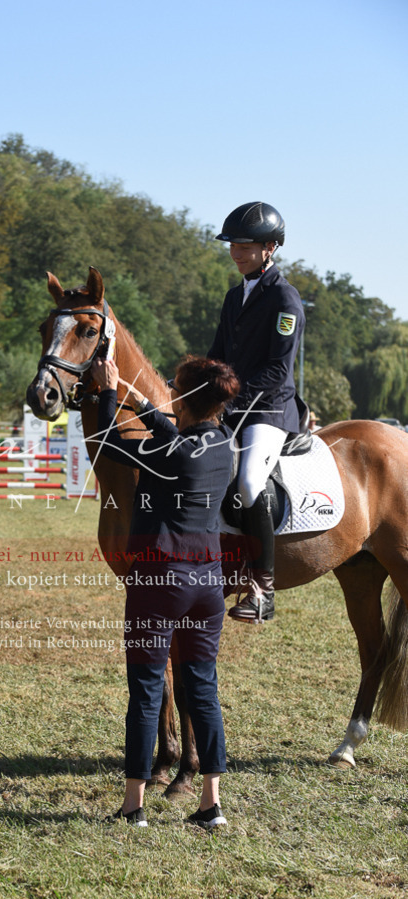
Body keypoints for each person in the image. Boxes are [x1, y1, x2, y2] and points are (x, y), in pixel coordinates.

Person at [90, 354, 240, 829]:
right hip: (208, 584)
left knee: (146, 689)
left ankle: (133, 806)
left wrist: (106, 392)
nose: (169, 391)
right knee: (203, 688)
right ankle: (211, 804)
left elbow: (108, 441)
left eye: (174, 386)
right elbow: (181, 434)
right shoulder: (224, 442)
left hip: (160, 580)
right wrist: (140, 401)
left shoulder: (166, 453)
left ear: (186, 398)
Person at [208, 201, 306, 623]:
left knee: (249, 481)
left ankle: (263, 591)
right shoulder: (234, 297)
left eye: (245, 246)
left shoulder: (285, 297)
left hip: (268, 410)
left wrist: (231, 397)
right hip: (232, 408)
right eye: (233, 245)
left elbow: (277, 369)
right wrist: (189, 383)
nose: (236, 253)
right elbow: (217, 356)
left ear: (270, 248)